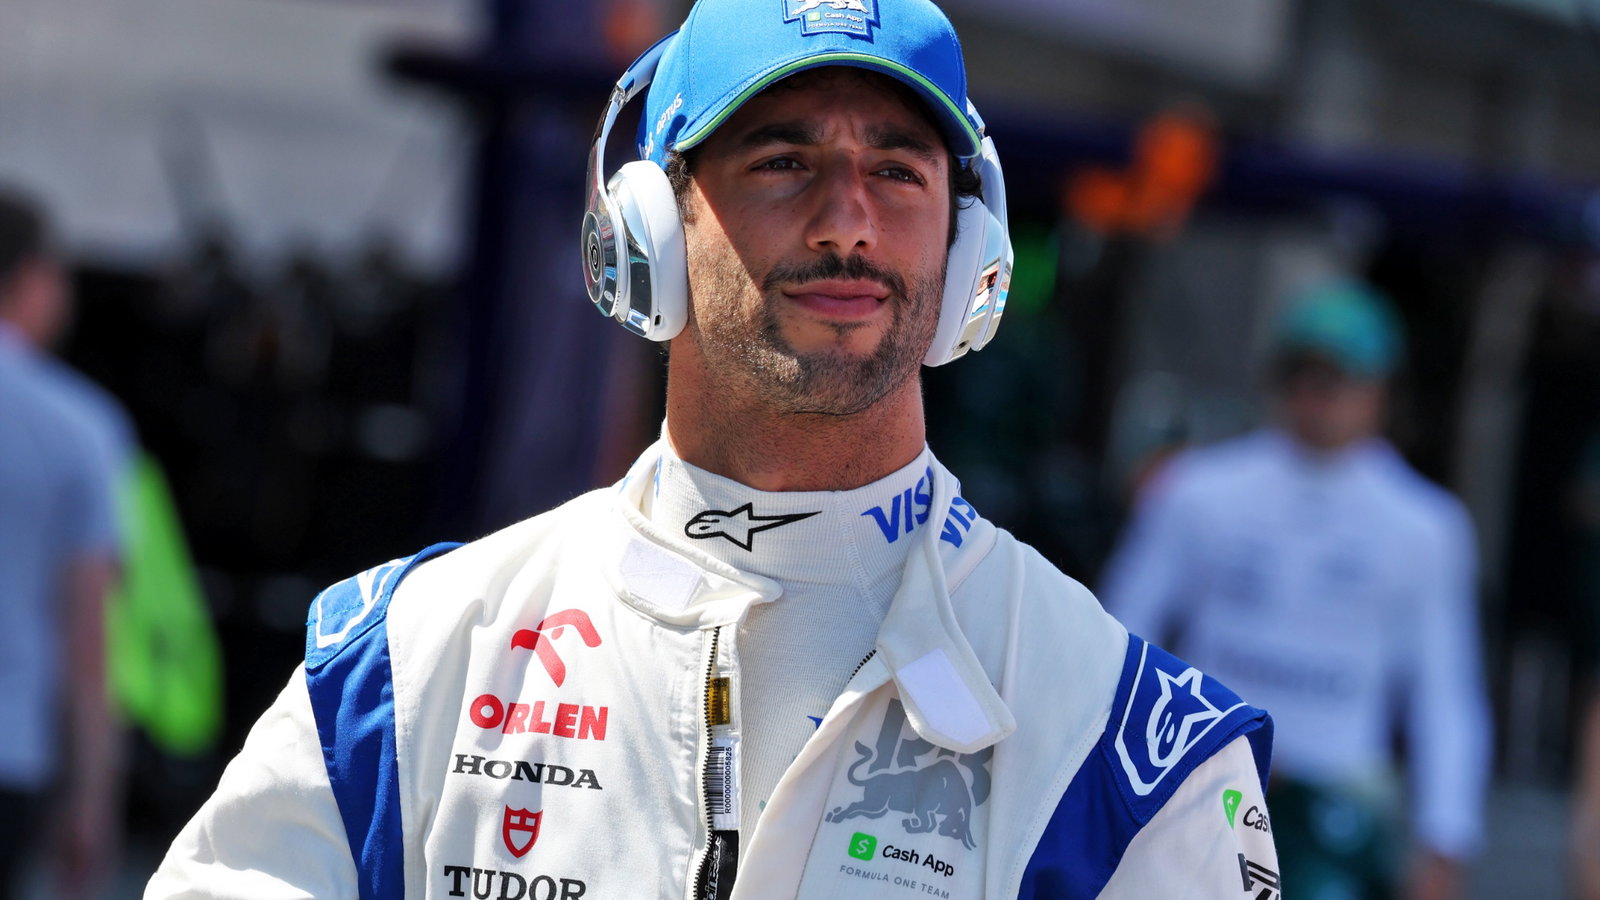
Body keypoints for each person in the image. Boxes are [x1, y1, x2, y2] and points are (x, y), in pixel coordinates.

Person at [147, 1, 1279, 896]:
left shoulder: (1133, 751)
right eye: (783, 161)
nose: (847, 221)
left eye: (897, 170)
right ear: (646, 231)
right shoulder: (404, 664)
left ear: (969, 248)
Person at [1099, 279, 1491, 900]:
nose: (1321, 394)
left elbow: (1445, 689)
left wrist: (1445, 838)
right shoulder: (1197, 489)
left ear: (1380, 390)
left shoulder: (1426, 526)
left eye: (1342, 377)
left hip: (1338, 801)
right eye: (1306, 374)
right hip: (1203, 775)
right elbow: (1119, 632)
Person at [0, 187, 128, 898]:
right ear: (33, 279)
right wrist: (92, 800)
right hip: (10, 751)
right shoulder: (80, 428)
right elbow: (88, 637)